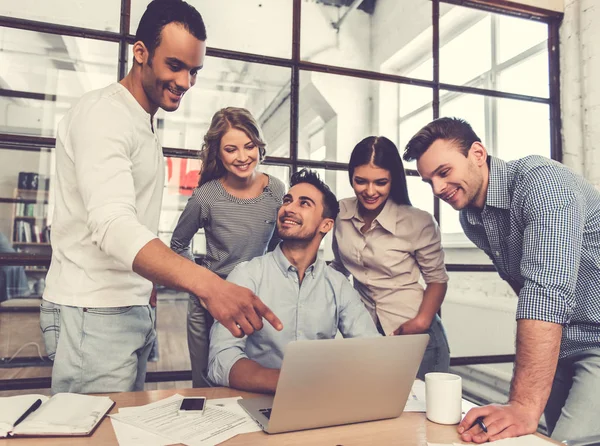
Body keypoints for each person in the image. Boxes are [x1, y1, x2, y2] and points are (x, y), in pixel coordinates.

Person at [41, 0, 281, 395]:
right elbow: (114, 225)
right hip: (94, 312)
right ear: (141, 53)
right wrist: (210, 285)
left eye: (194, 71)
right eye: (175, 66)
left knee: (117, 428)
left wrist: (147, 288)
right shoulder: (105, 115)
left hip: (127, 308)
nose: (186, 82)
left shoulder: (144, 122)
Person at [404, 117, 600, 443]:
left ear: (478, 153)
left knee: (566, 442)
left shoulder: (544, 185)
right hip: (562, 343)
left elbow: (544, 292)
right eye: (429, 181)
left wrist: (522, 404)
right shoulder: (471, 218)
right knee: (537, 438)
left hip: (597, 339)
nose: (437, 189)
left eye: (444, 172)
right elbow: (524, 287)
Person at [207, 169, 380, 393]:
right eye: (287, 201)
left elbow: (369, 348)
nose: (288, 208)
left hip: (318, 402)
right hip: (255, 401)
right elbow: (221, 359)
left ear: (326, 225)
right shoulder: (247, 275)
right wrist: (287, 382)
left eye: (304, 203)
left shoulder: (338, 285)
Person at [170, 107, 285, 388]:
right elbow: (177, 244)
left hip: (256, 302)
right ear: (218, 153)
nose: (243, 157)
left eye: (249, 146)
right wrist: (203, 284)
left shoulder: (277, 190)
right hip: (210, 303)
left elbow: (277, 246)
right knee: (209, 385)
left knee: (254, 382)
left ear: (259, 145)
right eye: (231, 149)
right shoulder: (205, 196)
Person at [330, 136, 450, 380]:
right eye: (361, 181)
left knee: (421, 413)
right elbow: (339, 268)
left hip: (415, 334)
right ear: (351, 176)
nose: (370, 191)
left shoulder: (419, 221)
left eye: (380, 182)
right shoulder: (339, 212)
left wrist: (420, 322)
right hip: (365, 334)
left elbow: (437, 280)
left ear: (393, 179)